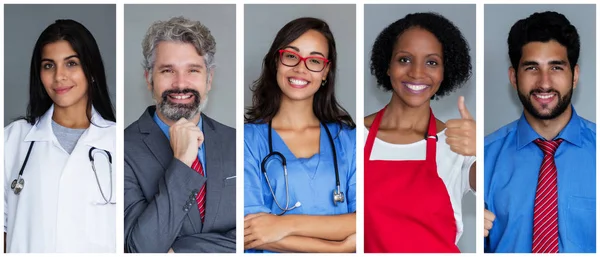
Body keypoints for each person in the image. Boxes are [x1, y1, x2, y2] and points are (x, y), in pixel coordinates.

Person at [484, 11, 595, 253]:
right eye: (532, 68)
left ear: (574, 76)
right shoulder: (482, 159)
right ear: (514, 77)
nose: (544, 83)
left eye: (556, 67)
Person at [364, 12, 475, 253]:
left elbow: (502, 192)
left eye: (432, 62)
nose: (416, 72)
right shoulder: (353, 138)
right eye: (404, 59)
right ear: (387, 66)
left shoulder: (459, 143)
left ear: (445, 72)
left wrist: (482, 151)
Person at [244, 17, 356, 253]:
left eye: (314, 60)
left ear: (326, 71)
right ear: (277, 61)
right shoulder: (248, 140)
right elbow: (250, 233)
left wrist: (283, 224)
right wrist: (338, 249)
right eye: (291, 56)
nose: (301, 68)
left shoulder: (348, 140)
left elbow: (366, 220)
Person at [123, 17, 236, 253]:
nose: (180, 84)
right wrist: (183, 163)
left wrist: (182, 250)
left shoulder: (236, 142)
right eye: (167, 70)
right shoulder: (121, 148)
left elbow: (255, 236)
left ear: (209, 79)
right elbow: (141, 248)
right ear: (149, 79)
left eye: (193, 70)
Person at [4, 19, 116, 253]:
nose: (59, 77)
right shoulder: (12, 140)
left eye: (71, 63)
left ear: (91, 70)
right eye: (48, 66)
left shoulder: (117, 142)